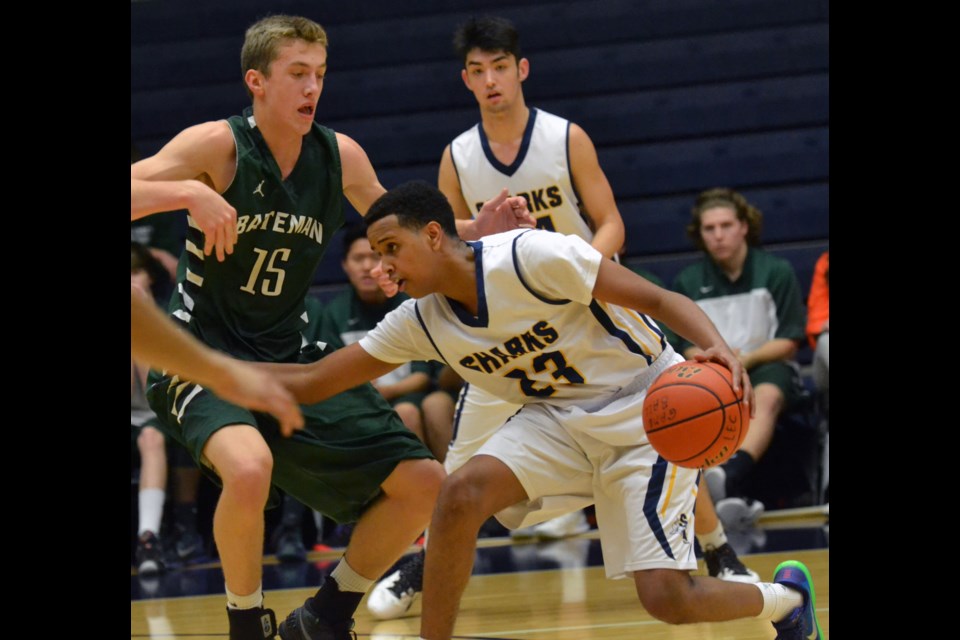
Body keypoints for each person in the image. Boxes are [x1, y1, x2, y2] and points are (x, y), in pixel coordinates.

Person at [264, 181, 824, 640]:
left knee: (667, 600)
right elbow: (315, 380)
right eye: (376, 254)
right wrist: (207, 371)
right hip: (557, 419)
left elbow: (657, 299)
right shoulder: (418, 320)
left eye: (391, 248)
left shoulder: (531, 258)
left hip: (648, 410)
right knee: (458, 495)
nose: (382, 267)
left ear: (434, 236)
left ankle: (788, 602)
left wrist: (718, 346)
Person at [131, 15, 533, 640]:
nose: (312, 88)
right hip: (203, 354)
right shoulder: (217, 145)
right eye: (297, 74)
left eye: (319, 75)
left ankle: (325, 614)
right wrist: (188, 192)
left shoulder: (338, 154)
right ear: (256, 81)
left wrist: (479, 230)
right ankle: (246, 624)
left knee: (424, 483)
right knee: (248, 468)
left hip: (290, 352)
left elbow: (395, 222)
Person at [367, 16, 755, 620]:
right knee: (459, 471)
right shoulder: (458, 157)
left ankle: (718, 549)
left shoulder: (564, 138)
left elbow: (611, 222)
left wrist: (574, 278)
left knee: (666, 419)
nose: (490, 80)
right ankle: (425, 558)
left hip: (583, 316)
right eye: (478, 71)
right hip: (505, 329)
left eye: (500, 67)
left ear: (520, 70)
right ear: (465, 80)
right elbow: (447, 233)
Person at [670, 188, 808, 530]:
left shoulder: (776, 272)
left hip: (766, 366)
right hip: (712, 373)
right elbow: (683, 344)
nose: (718, 236)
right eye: (709, 229)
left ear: (744, 227)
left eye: (726, 225)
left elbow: (790, 340)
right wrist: (718, 365)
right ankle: (727, 493)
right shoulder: (688, 281)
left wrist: (743, 361)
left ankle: (728, 475)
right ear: (700, 234)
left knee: (769, 394)